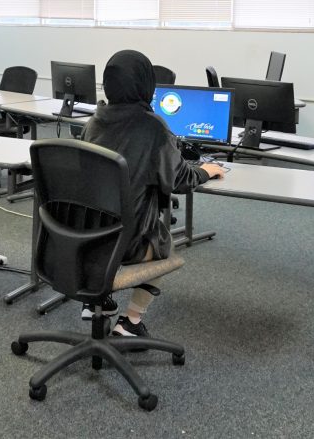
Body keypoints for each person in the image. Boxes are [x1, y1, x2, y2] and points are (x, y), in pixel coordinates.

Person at [80, 50, 226, 337]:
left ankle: (95, 300)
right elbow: (180, 180)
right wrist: (207, 170)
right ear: (147, 84)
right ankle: (131, 321)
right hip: (127, 241)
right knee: (164, 244)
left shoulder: (93, 122)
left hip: (85, 239)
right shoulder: (153, 127)